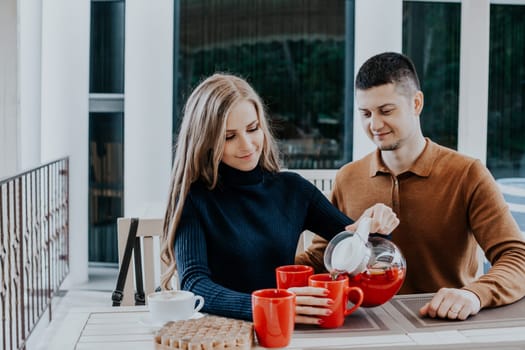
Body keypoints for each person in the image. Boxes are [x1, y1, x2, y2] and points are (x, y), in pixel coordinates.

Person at [296, 52, 525, 321]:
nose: (375, 124)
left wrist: (474, 294)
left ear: (416, 103)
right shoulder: (348, 177)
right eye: (365, 113)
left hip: (446, 322)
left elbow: (517, 257)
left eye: (386, 111)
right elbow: (321, 258)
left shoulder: (468, 174)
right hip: (362, 323)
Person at [160, 73, 399, 323]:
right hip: (222, 333)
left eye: (253, 129)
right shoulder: (193, 198)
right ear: (205, 141)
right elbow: (195, 285)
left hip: (285, 330)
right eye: (228, 137)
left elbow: (361, 245)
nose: (247, 145)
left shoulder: (293, 190)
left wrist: (375, 225)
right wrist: (270, 306)